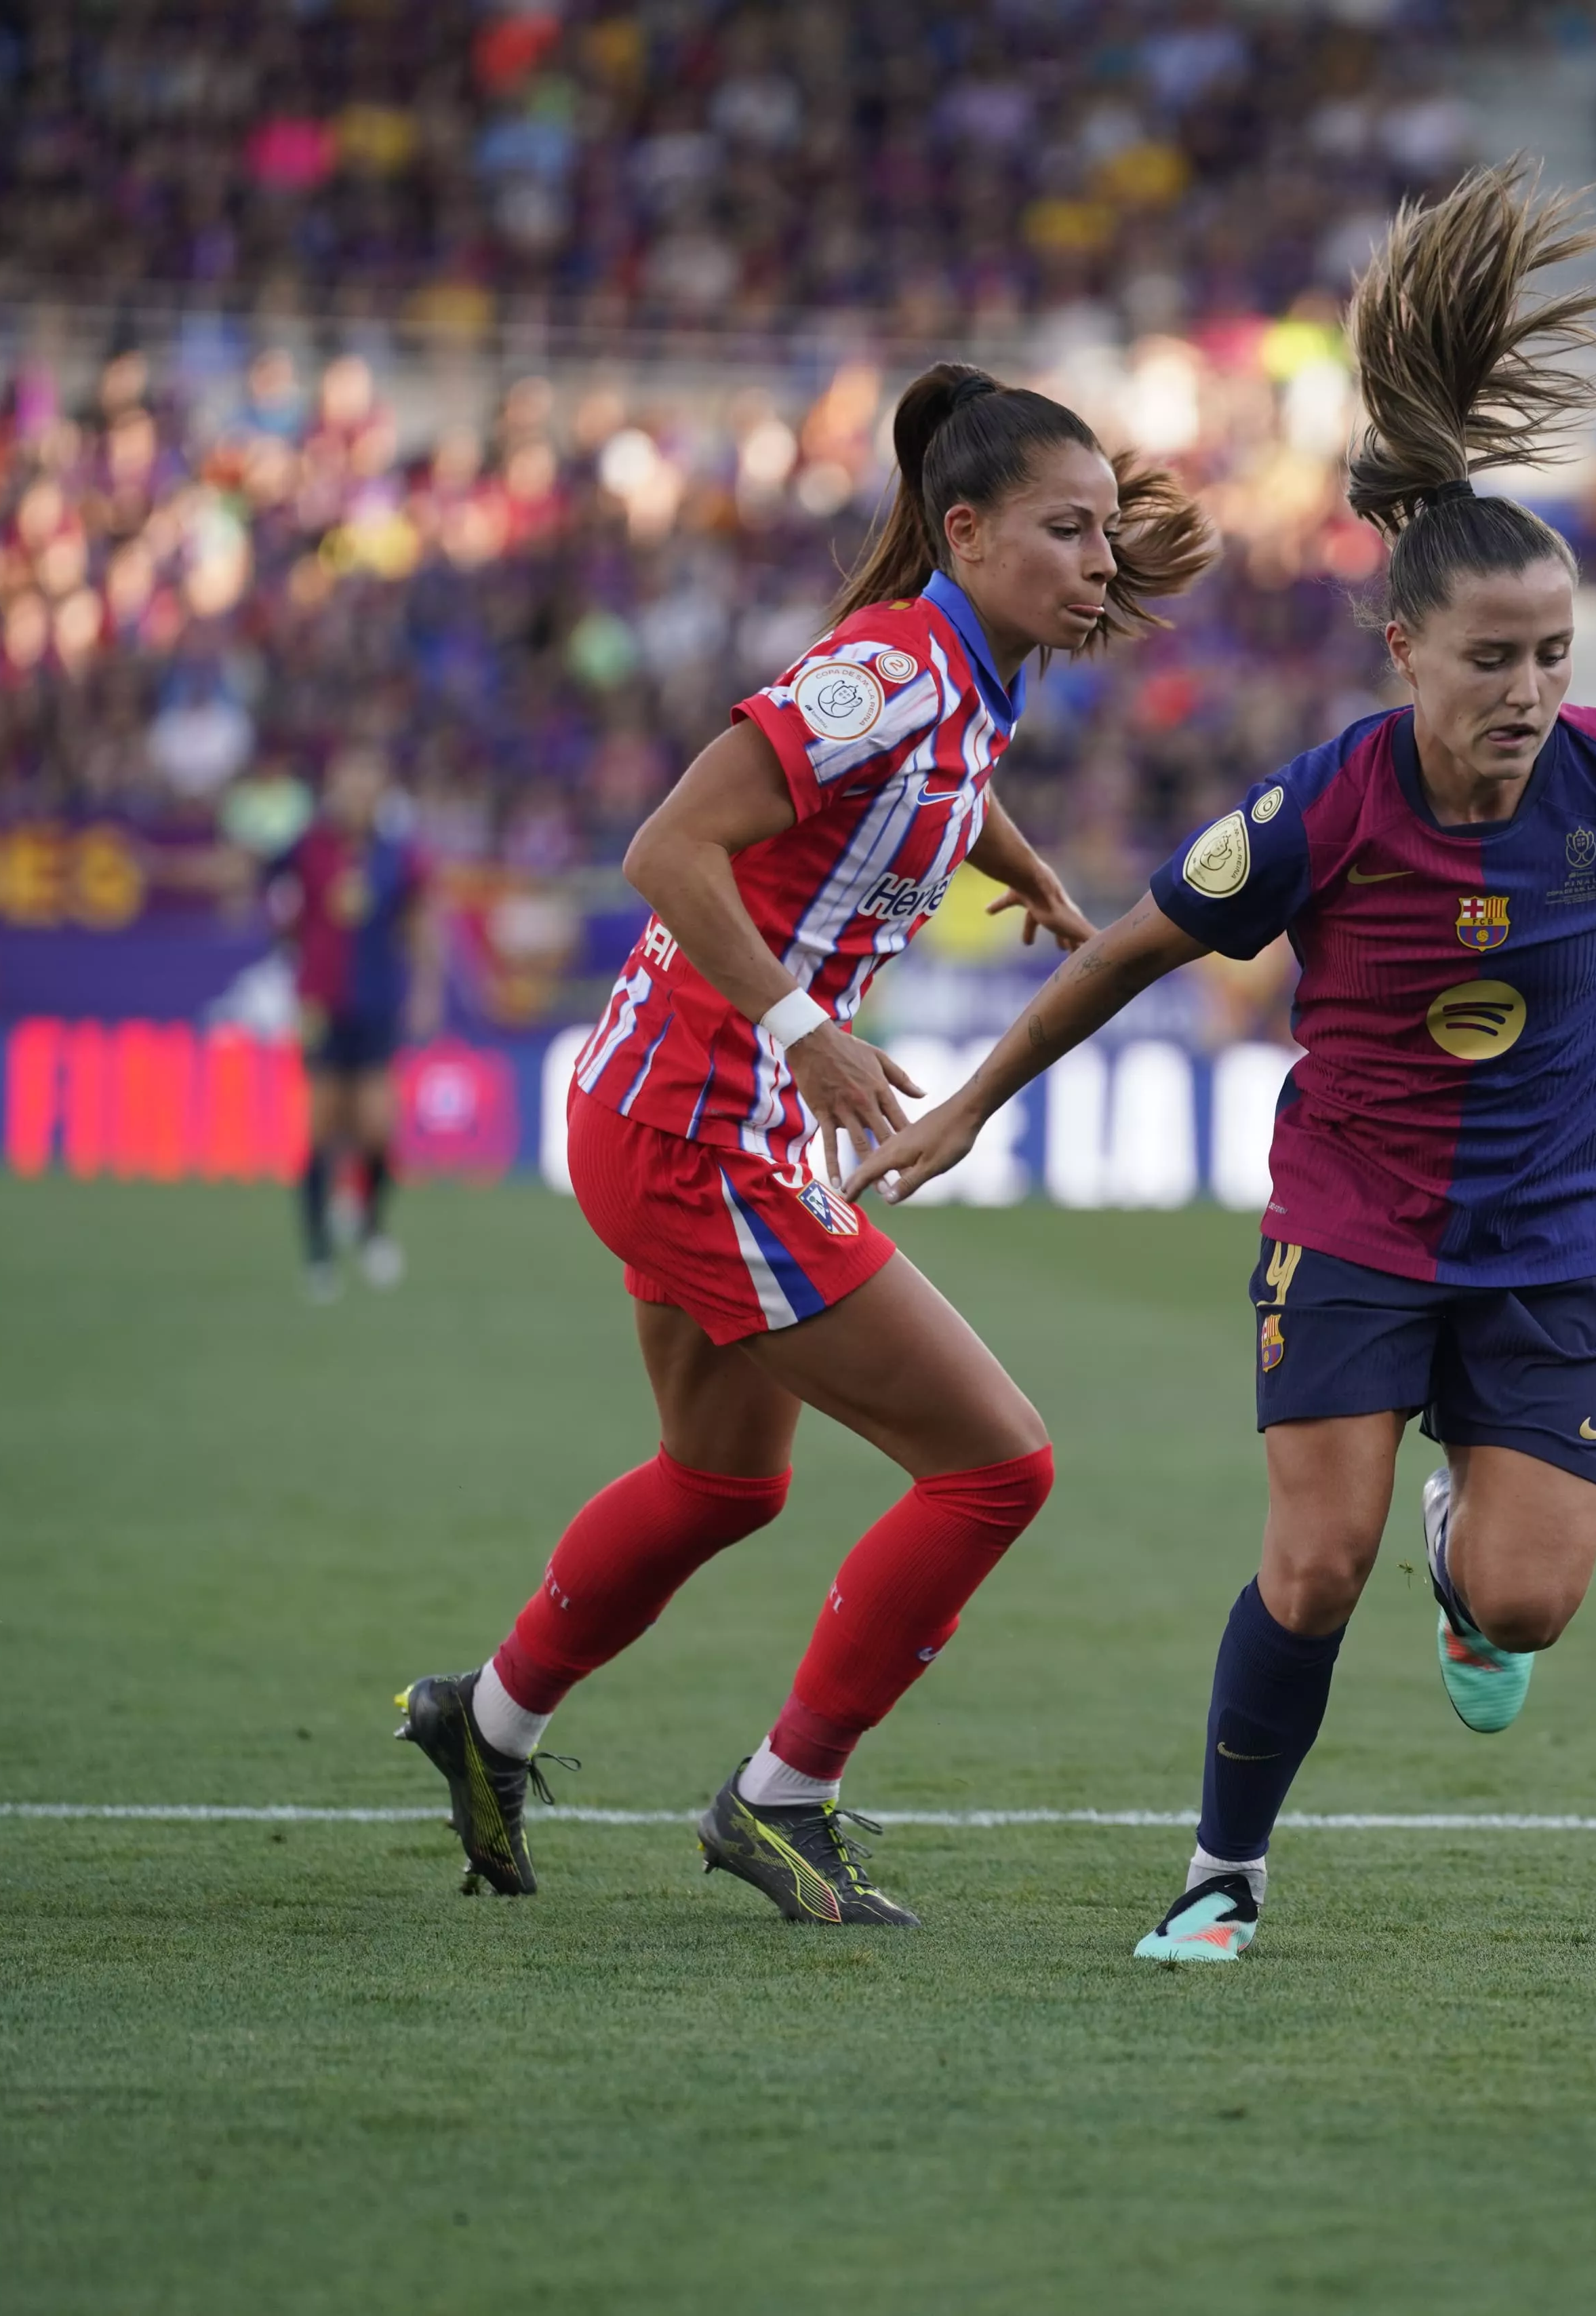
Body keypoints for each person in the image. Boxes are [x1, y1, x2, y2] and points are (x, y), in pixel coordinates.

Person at [862, 165, 1596, 1967]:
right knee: (1309, 1562)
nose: (1533, 688)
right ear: (1407, 648)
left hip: (1568, 1230)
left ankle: (1463, 1557)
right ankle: (1223, 1871)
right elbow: (1132, 945)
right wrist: (965, 1104)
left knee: (1526, 1599)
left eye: (1556, 653)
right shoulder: (1331, 801)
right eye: (1495, 657)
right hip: (1358, 1219)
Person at [395, 365, 1214, 1923]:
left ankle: (484, 1721)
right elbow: (666, 848)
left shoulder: (972, 676)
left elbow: (933, 790)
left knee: (721, 1480)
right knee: (997, 1465)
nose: (1103, 559)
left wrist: (1029, 869)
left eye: (1108, 530)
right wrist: (800, 1029)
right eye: (1069, 528)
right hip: (704, 1121)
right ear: (964, 533)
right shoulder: (893, 662)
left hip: (675, 1115)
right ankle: (782, 1796)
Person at [273, 748, 437, 1299]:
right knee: (322, 1124)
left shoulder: (399, 855)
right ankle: (317, 1249)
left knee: (377, 1126)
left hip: (376, 1002)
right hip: (322, 1003)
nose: (359, 793)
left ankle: (367, 1223)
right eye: (349, 782)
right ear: (336, 788)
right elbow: (277, 900)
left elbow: (417, 922)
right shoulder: (310, 846)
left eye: (368, 782)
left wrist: (424, 990)